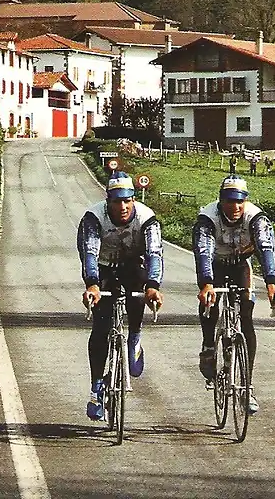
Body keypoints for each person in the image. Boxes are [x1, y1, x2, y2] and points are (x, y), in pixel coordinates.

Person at [192, 174, 275, 414]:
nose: (234, 207)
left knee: (246, 317)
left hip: (240, 265)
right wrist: (206, 284)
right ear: (220, 201)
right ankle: (209, 346)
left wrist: (272, 283)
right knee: (210, 302)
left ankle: (247, 387)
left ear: (245, 201)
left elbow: (265, 247)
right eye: (229, 201)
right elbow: (202, 252)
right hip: (214, 264)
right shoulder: (207, 218)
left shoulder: (256, 218)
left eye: (239, 202)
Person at [77, 170, 164, 421]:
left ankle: (134, 339)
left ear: (134, 199)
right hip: (102, 265)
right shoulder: (94, 217)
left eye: (127, 200)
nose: (123, 206)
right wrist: (92, 285)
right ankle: (96, 388)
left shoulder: (147, 218)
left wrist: (154, 285)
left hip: (132, 263)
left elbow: (155, 254)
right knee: (101, 327)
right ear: (108, 201)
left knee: (138, 291)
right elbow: (90, 254)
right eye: (117, 201)